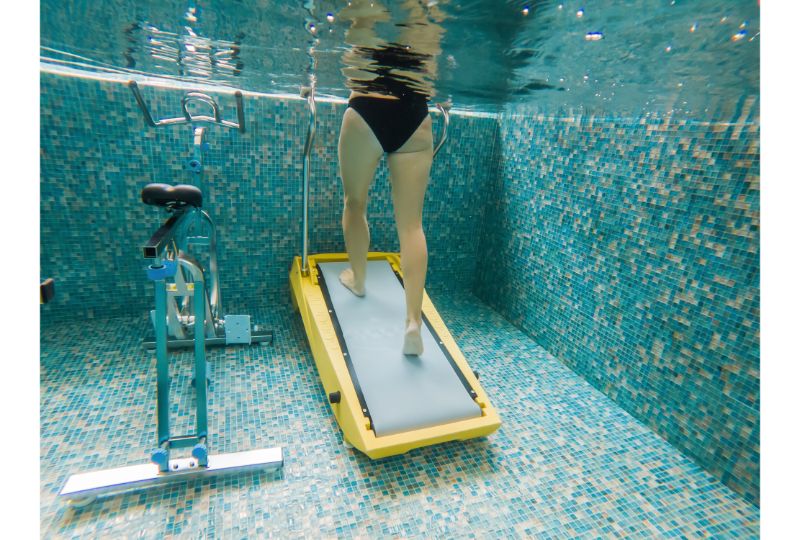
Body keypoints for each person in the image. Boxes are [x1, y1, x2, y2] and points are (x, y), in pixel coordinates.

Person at [336, 0, 444, 356]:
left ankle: (359, 279)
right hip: (415, 111)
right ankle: (413, 322)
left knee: (355, 202)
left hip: (367, 102)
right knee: (412, 225)